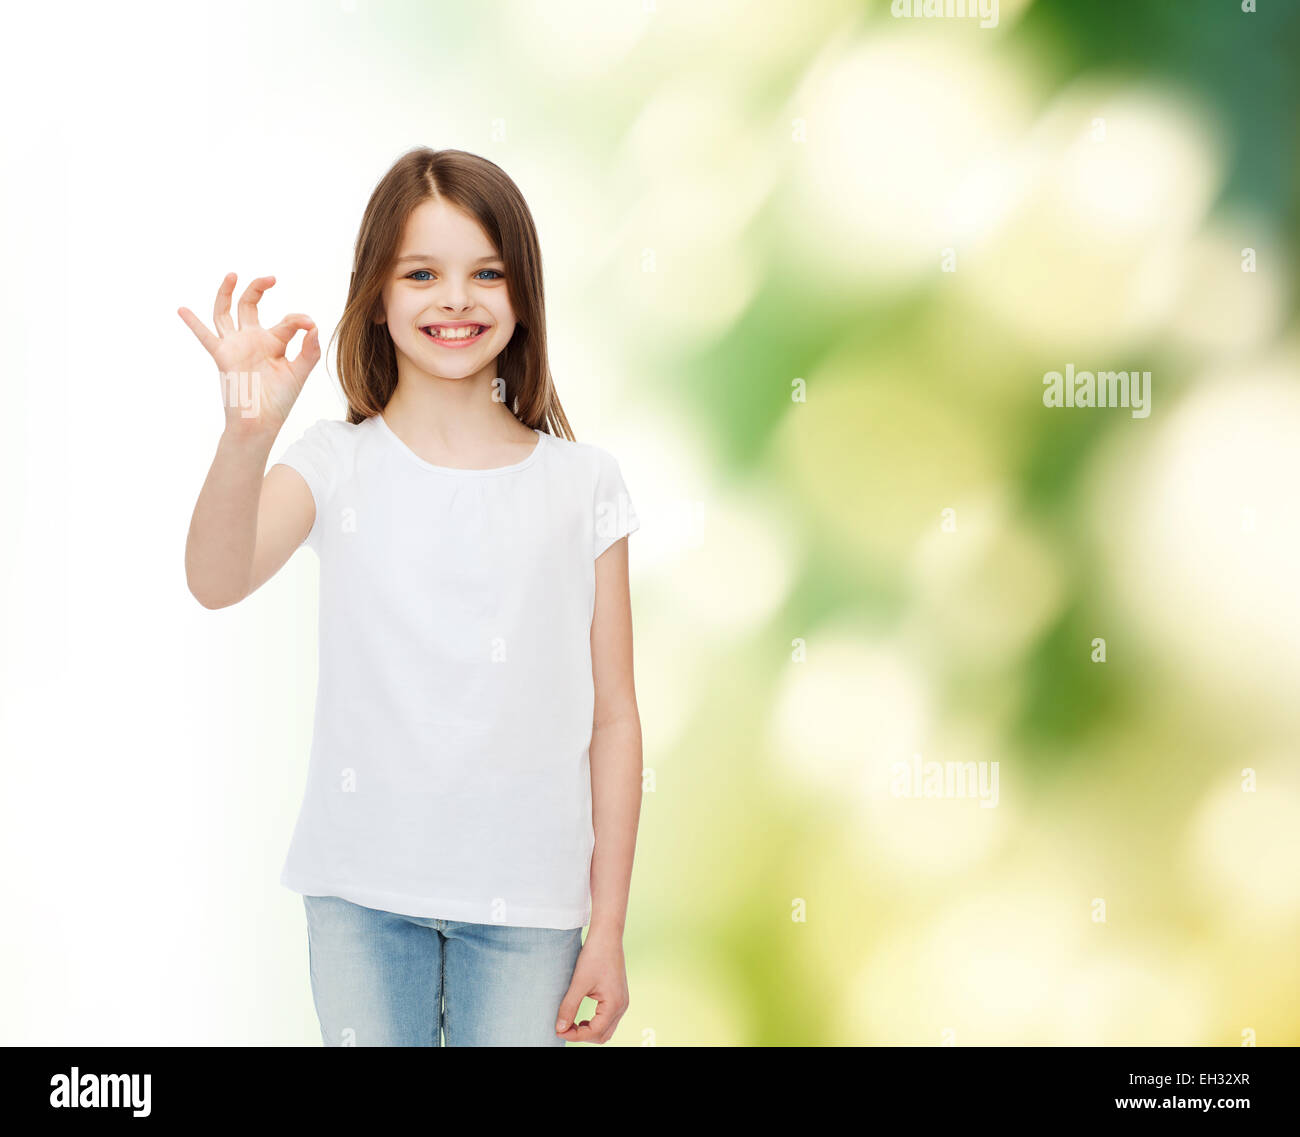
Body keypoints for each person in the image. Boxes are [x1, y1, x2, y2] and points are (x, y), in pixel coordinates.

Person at [179, 147, 642, 1047]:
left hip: (529, 906)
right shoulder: (335, 461)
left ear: (523, 294)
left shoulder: (584, 484)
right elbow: (215, 578)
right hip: (360, 897)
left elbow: (615, 717)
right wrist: (247, 433)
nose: (455, 299)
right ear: (378, 296)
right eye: (422, 273)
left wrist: (610, 928)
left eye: (486, 273)